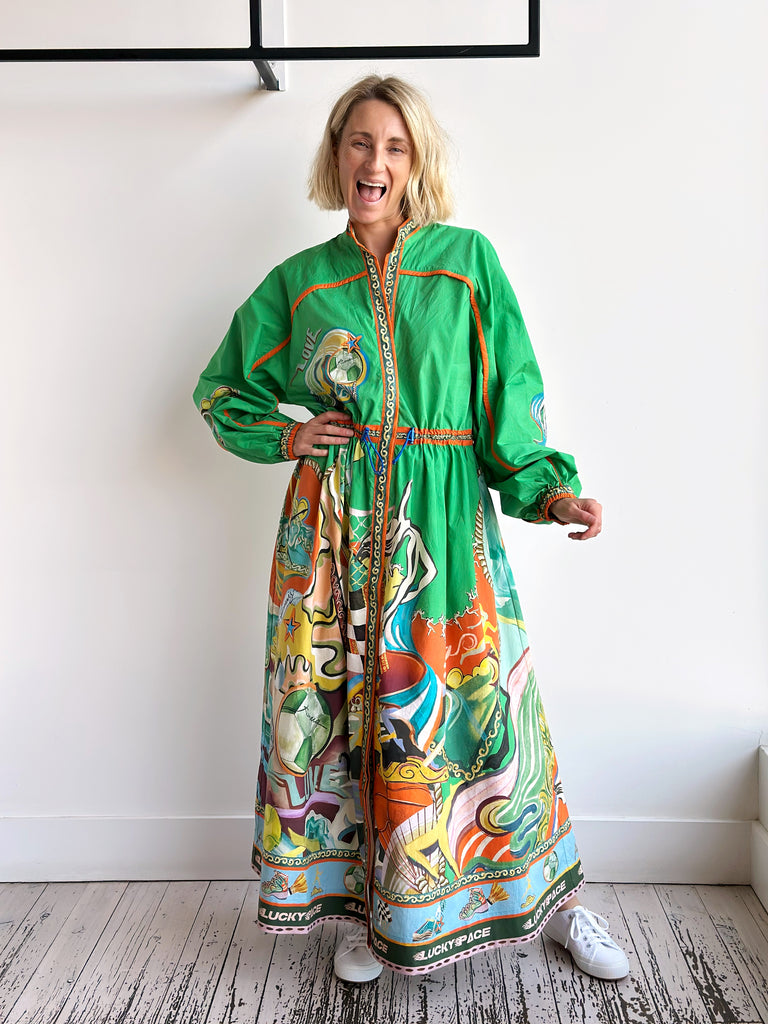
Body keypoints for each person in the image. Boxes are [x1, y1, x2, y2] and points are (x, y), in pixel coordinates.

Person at [193, 75, 629, 984]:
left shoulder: (467, 263)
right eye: (359, 142)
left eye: (394, 146)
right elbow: (221, 388)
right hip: (332, 535)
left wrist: (552, 494)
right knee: (350, 718)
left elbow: (508, 398)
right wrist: (287, 434)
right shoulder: (302, 283)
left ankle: (557, 905)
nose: (375, 162)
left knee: (484, 709)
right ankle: (372, 912)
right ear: (336, 154)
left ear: (416, 161)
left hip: (443, 529)